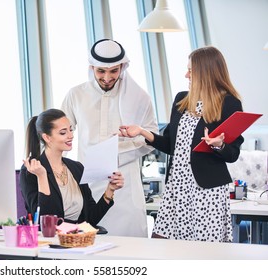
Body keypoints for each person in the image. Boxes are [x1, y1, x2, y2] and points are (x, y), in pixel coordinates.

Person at [119, 46, 244, 242]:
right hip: (177, 188)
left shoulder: (229, 104)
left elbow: (233, 154)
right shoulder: (181, 100)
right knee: (165, 244)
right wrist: (142, 132)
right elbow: (170, 145)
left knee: (204, 252)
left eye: (191, 70)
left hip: (207, 191)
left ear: (206, 72)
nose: (186, 75)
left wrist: (218, 145)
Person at [61, 39, 158, 237]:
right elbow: (61, 135)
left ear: (122, 67)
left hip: (125, 185)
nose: (107, 77)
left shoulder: (140, 97)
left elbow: (151, 139)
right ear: (92, 68)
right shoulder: (76, 95)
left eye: (113, 71)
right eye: (101, 71)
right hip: (87, 184)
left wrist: (116, 152)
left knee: (130, 249)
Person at [19, 108, 124, 229]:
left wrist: (110, 190)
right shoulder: (31, 170)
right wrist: (42, 177)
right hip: (50, 241)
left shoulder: (76, 168)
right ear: (47, 138)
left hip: (76, 239)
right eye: (63, 133)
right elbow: (46, 225)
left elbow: (90, 219)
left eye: (71, 130)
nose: (71, 136)